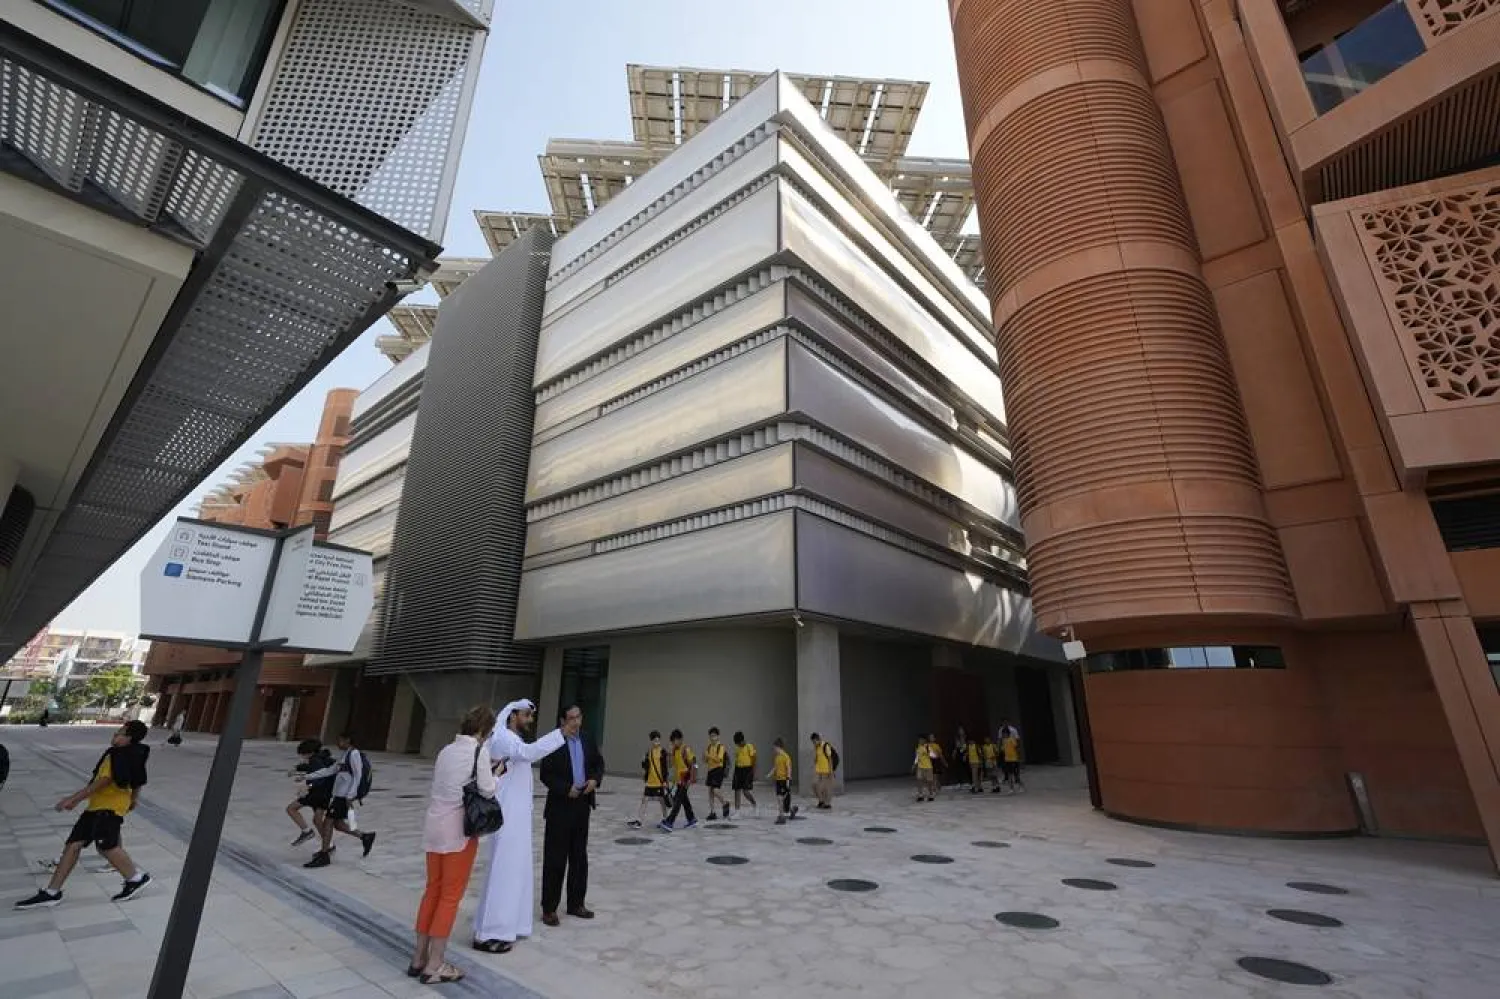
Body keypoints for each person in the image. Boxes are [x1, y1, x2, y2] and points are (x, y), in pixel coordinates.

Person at [15, 721, 152, 910]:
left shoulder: (116, 755)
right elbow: (139, 779)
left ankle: (136, 878)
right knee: (73, 845)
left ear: (128, 737)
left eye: (119, 732)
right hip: (99, 806)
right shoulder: (135, 754)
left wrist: (74, 799)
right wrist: (134, 799)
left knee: (107, 847)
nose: (114, 735)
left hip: (107, 808)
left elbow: (104, 781)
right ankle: (52, 892)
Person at [410, 705, 501, 985]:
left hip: (434, 827)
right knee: (450, 896)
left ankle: (419, 957)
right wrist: (497, 774)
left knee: (432, 891)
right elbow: (487, 789)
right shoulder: (478, 752)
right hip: (458, 832)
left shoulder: (446, 750)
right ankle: (436, 964)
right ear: (485, 730)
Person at [472, 699, 565, 953]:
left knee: (517, 872)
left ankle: (511, 926)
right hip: (506, 817)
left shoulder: (513, 739)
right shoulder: (502, 737)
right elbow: (527, 754)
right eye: (526, 715)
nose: (529, 720)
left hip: (518, 817)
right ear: (513, 715)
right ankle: (490, 932)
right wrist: (560, 734)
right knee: (504, 872)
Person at [538, 704, 604, 927]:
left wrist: (594, 780)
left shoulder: (587, 739)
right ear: (562, 721)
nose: (576, 722)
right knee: (555, 858)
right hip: (560, 805)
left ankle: (576, 903)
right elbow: (545, 774)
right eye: (571, 718)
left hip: (582, 805)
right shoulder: (554, 741)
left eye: (578, 717)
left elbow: (598, 763)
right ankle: (549, 908)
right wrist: (566, 788)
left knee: (579, 856)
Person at [302, 733, 376, 868]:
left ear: (348, 740)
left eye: (340, 740)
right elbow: (330, 770)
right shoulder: (345, 755)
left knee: (328, 822)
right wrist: (308, 776)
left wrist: (351, 794)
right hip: (338, 795)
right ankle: (365, 837)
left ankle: (324, 854)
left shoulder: (354, 754)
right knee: (338, 824)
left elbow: (358, 775)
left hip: (344, 796)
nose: (338, 743)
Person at [286, 738, 335, 847]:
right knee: (317, 820)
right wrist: (297, 768)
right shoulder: (322, 758)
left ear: (310, 752)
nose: (303, 757)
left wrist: (308, 786)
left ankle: (306, 831)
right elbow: (311, 768)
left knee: (291, 808)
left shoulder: (315, 760)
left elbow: (319, 777)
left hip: (317, 794)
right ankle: (329, 845)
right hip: (325, 794)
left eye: (303, 754)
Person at [659, 729, 698, 831]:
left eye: (675, 741)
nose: (673, 743)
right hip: (679, 780)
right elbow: (671, 765)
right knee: (684, 800)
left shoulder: (685, 749)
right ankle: (691, 819)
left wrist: (692, 779)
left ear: (680, 739)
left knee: (677, 801)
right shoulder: (675, 750)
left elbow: (694, 763)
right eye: (672, 741)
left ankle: (670, 822)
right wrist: (670, 753)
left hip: (686, 778)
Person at [629, 730, 669, 828]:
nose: (657, 742)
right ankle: (639, 821)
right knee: (644, 800)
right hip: (650, 782)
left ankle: (666, 819)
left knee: (662, 801)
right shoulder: (649, 752)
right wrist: (643, 761)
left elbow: (665, 767)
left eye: (658, 740)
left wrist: (664, 781)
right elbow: (646, 767)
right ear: (651, 741)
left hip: (659, 782)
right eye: (655, 740)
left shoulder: (663, 751)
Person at [767, 737, 797, 824]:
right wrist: (770, 774)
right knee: (779, 798)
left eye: (774, 748)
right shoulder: (777, 757)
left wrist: (788, 779)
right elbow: (775, 767)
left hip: (784, 780)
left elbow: (789, 768)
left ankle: (783, 815)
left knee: (782, 799)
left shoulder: (785, 757)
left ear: (778, 747)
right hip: (778, 780)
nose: (774, 750)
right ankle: (785, 814)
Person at [730, 731, 757, 818]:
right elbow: (737, 759)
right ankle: (737, 812)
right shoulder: (737, 748)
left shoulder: (749, 746)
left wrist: (754, 772)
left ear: (743, 740)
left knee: (745, 791)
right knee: (737, 790)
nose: (738, 745)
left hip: (747, 770)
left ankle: (754, 804)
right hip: (738, 770)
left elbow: (754, 759)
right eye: (737, 744)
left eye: (739, 743)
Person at [704, 727, 729, 820]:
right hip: (710, 770)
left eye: (714, 736)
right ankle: (712, 812)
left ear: (718, 736)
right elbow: (706, 760)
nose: (712, 738)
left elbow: (719, 759)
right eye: (710, 736)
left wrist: (709, 756)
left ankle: (725, 803)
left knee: (715, 790)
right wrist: (705, 757)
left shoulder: (721, 746)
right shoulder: (709, 746)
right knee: (710, 791)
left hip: (718, 770)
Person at [811, 733, 836, 810]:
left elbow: (830, 759)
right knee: (814, 785)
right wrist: (815, 751)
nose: (814, 743)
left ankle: (827, 803)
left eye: (815, 741)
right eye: (813, 742)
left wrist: (831, 771)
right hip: (819, 770)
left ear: (818, 739)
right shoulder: (817, 747)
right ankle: (821, 801)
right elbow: (815, 760)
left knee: (825, 788)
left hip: (826, 770)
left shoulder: (825, 746)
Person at [1000, 722, 1025, 793]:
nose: (1003, 735)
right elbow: (1003, 749)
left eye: (1004, 734)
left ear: (1007, 734)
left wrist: (1019, 757)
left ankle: (1021, 786)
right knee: (1009, 774)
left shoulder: (1012, 739)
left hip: (1014, 759)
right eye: (1003, 734)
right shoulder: (1003, 741)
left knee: (1015, 775)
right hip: (1007, 759)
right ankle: (1011, 788)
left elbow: (1016, 748)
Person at [913, 734, 936, 802]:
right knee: (919, 779)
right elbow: (917, 757)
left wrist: (929, 753)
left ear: (924, 740)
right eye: (919, 740)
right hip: (920, 767)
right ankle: (920, 795)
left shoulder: (928, 747)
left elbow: (934, 756)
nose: (920, 741)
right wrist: (914, 764)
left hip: (928, 767)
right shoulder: (918, 747)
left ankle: (931, 794)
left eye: (921, 740)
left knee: (929, 781)